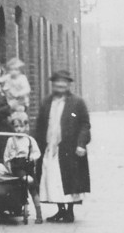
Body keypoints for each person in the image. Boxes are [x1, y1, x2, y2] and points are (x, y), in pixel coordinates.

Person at [34, 70, 91, 223]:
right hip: (50, 147)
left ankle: (70, 212)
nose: (60, 85)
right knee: (53, 179)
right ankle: (60, 210)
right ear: (53, 84)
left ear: (68, 84)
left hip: (69, 148)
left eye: (64, 82)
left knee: (69, 180)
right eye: (57, 82)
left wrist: (81, 144)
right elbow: (40, 125)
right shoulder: (46, 102)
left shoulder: (77, 102)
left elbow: (85, 124)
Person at [3, 111, 44, 224]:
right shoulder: (11, 140)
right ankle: (23, 206)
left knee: (34, 190)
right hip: (17, 167)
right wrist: (9, 165)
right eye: (16, 127)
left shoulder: (29, 140)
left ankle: (39, 215)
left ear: (26, 127)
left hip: (28, 166)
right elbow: (6, 155)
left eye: (21, 126)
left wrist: (32, 157)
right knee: (22, 183)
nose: (19, 129)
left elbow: (37, 152)